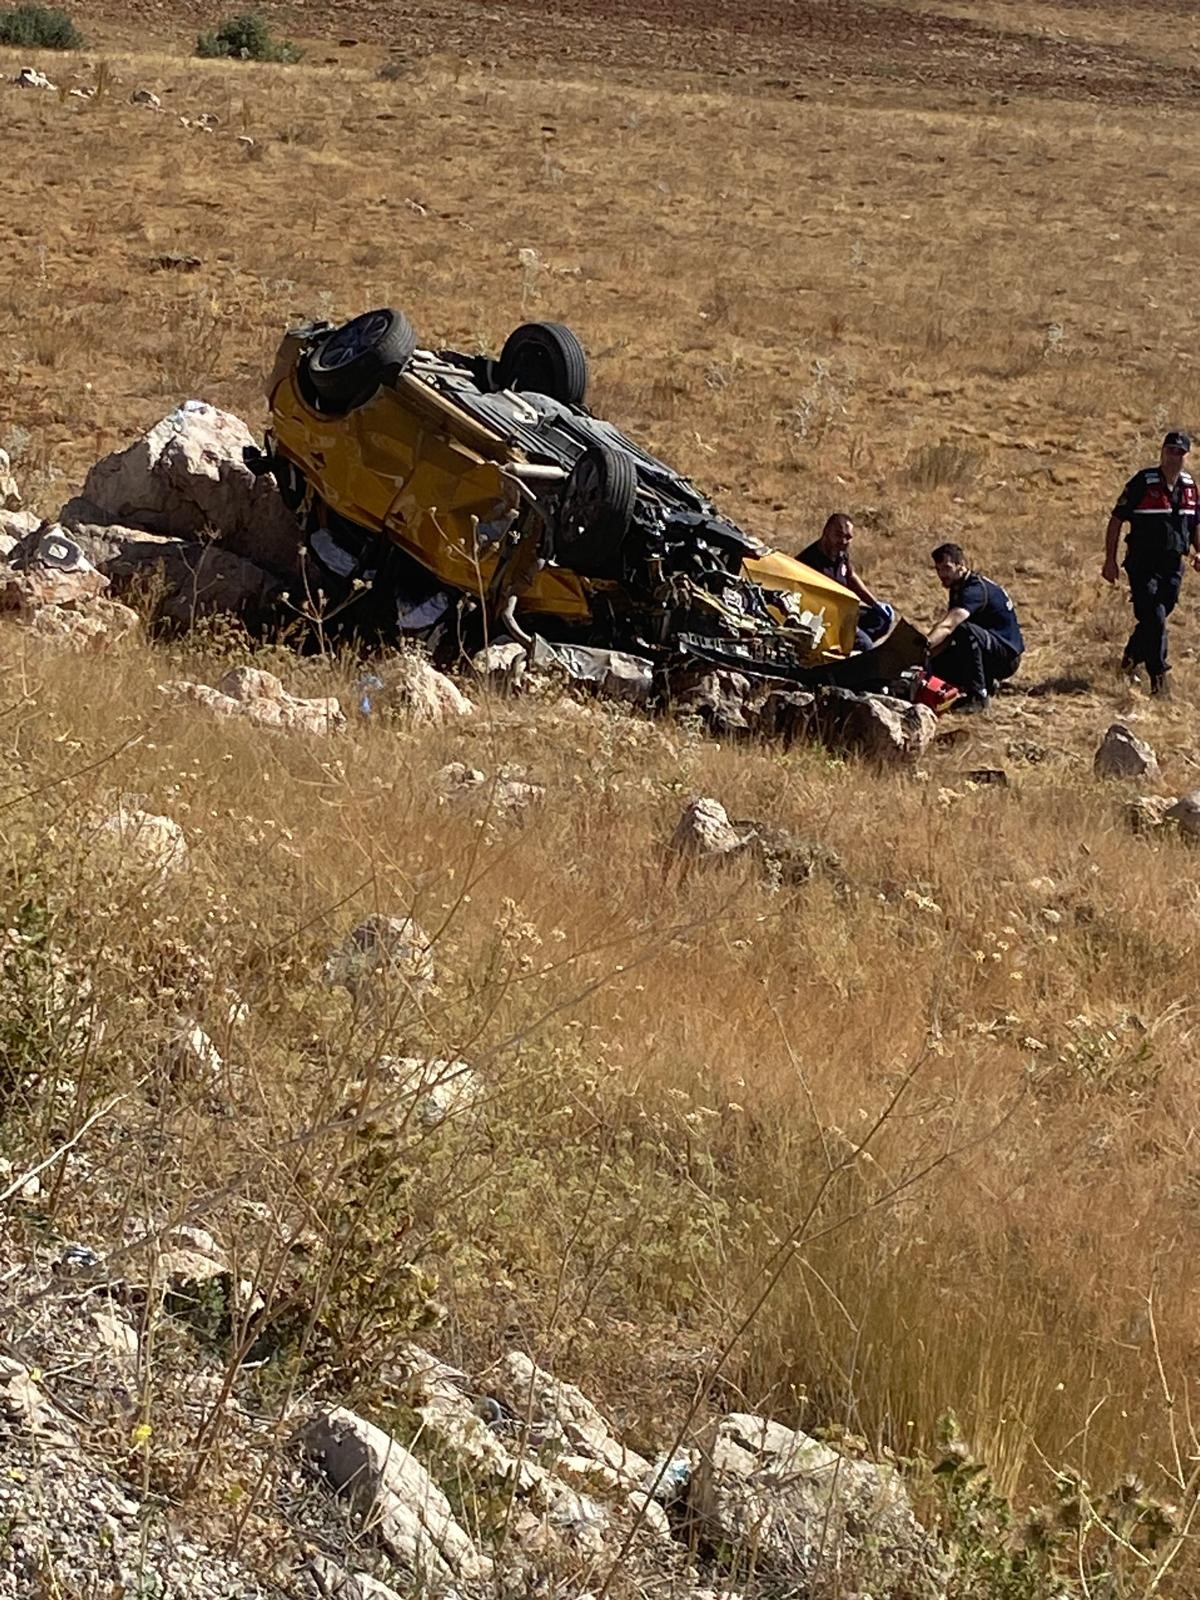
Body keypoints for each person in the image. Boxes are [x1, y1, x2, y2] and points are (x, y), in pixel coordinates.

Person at [1102, 429, 1200, 697]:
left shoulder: (1190, 487)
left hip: (1173, 565)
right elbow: (1116, 520)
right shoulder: (1143, 482)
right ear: (1162, 452)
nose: (1174, 457)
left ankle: (1132, 656)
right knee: (1154, 615)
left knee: (1157, 615)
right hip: (1143, 563)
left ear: (1187, 456)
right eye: (1170, 451)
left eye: (1180, 453)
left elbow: (1195, 523)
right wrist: (1110, 561)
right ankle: (1159, 679)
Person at [926, 543, 1024, 714]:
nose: (942, 574)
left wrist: (923, 646)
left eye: (947, 568)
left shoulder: (974, 589)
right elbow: (948, 636)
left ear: (961, 565)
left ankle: (978, 697)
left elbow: (949, 626)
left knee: (964, 630)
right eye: (938, 569)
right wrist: (925, 659)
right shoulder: (958, 586)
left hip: (1006, 657)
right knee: (935, 665)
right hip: (988, 648)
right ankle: (986, 682)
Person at [798, 513, 894, 650]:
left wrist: (875, 603)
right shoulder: (808, 562)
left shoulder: (840, 554)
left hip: (845, 611)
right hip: (824, 620)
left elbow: (850, 576)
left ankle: (849, 648)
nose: (843, 541)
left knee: (881, 619)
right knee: (865, 645)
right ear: (826, 532)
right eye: (838, 535)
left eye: (848, 537)